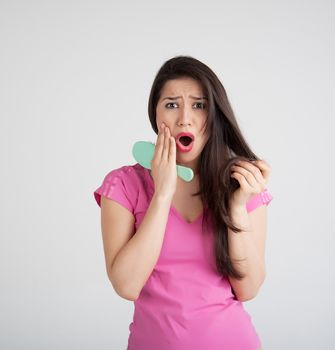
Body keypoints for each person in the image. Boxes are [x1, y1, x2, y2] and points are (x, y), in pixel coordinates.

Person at [93, 55, 273, 350]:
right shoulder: (124, 185)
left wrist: (237, 207)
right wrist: (162, 193)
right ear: (155, 114)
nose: (185, 118)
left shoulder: (242, 186)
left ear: (214, 115)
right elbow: (126, 285)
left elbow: (248, 288)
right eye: (172, 104)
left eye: (199, 105)